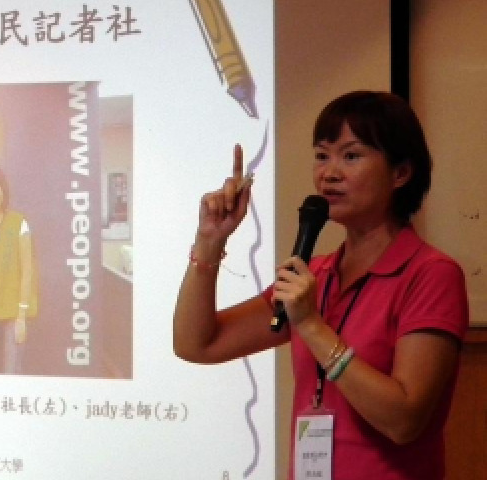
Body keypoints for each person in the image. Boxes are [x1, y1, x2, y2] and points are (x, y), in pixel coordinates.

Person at [173, 91, 469, 480]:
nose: (329, 173)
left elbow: (404, 420)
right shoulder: (317, 274)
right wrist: (209, 241)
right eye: (321, 156)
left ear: (400, 173)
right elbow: (197, 344)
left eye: (351, 156)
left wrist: (312, 325)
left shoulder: (430, 274)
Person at [0, 167, 38, 374]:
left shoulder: (18, 223)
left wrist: (21, 316)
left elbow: (28, 271)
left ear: (3, 190)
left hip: (14, 313)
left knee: (11, 371)